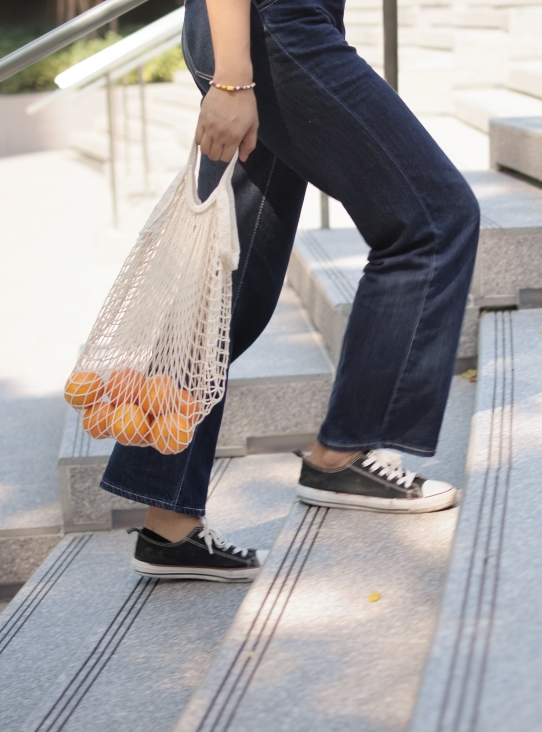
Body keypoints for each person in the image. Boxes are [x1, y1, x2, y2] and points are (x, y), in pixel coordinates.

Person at [98, 0, 480, 582]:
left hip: (268, 35)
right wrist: (232, 78)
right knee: (433, 218)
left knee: (230, 288)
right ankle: (343, 455)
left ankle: (167, 520)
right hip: (272, 33)